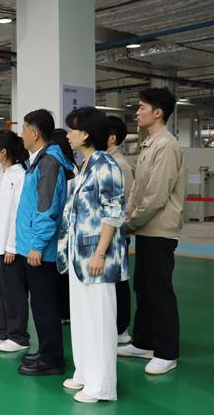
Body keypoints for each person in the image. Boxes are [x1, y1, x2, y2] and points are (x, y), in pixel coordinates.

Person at [57, 106, 128, 403]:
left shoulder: (105, 165)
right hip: (78, 255)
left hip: (97, 256)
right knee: (82, 317)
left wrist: (100, 253)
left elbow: (113, 213)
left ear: (86, 134)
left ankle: (102, 386)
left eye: (72, 129)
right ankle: (85, 373)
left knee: (99, 319)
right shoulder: (85, 165)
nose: (68, 135)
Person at [119, 88, 186, 375]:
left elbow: (156, 194)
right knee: (144, 289)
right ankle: (144, 342)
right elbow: (137, 190)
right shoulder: (149, 144)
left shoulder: (166, 146)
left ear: (158, 112)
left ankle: (167, 353)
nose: (137, 112)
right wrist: (130, 218)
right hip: (146, 229)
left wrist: (130, 222)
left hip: (160, 230)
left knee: (159, 292)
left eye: (141, 107)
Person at [16, 109, 74, 375]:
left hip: (41, 250)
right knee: (40, 305)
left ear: (34, 132)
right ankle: (47, 351)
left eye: (23, 129)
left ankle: (52, 360)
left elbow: (46, 209)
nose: (21, 134)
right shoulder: (39, 161)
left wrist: (37, 245)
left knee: (45, 305)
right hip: (32, 245)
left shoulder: (48, 164)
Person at [0, 130, 30, 352]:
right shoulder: (2, 175)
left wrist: (11, 246)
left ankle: (18, 336)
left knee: (14, 292)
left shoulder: (20, 176)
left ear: (4, 151)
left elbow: (18, 214)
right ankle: (2, 331)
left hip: (10, 247)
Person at [107, 116, 135, 344]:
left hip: (116, 233)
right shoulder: (105, 162)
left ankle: (121, 329)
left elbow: (124, 203)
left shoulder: (120, 165)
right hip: (107, 233)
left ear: (112, 138)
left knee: (118, 281)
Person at [51, 128, 78, 325]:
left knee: (62, 273)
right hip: (61, 229)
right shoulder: (70, 167)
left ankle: (65, 312)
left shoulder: (68, 170)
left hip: (63, 230)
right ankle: (64, 311)